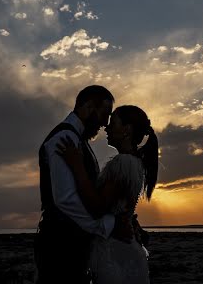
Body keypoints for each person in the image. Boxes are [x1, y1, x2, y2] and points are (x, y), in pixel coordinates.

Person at [35, 85, 134, 283]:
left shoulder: (79, 140)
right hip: (60, 245)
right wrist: (108, 225)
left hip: (72, 243)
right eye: (104, 114)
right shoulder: (65, 138)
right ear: (89, 107)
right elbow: (66, 200)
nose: (106, 123)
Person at [57, 104, 158, 284]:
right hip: (124, 247)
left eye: (113, 123)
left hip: (115, 251)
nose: (107, 127)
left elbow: (97, 207)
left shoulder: (122, 164)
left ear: (126, 130)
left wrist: (76, 164)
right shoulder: (134, 162)